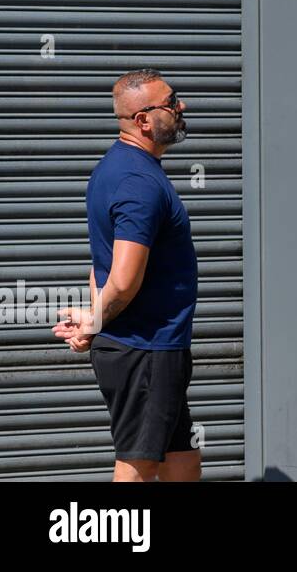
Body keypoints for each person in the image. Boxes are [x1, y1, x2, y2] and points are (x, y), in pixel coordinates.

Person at [52, 69, 200, 482]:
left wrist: (93, 324)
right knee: (137, 467)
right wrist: (96, 321)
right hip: (145, 350)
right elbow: (122, 279)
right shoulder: (138, 182)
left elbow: (100, 264)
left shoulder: (116, 168)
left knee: (182, 461)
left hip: (150, 346)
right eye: (171, 102)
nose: (181, 107)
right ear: (143, 120)